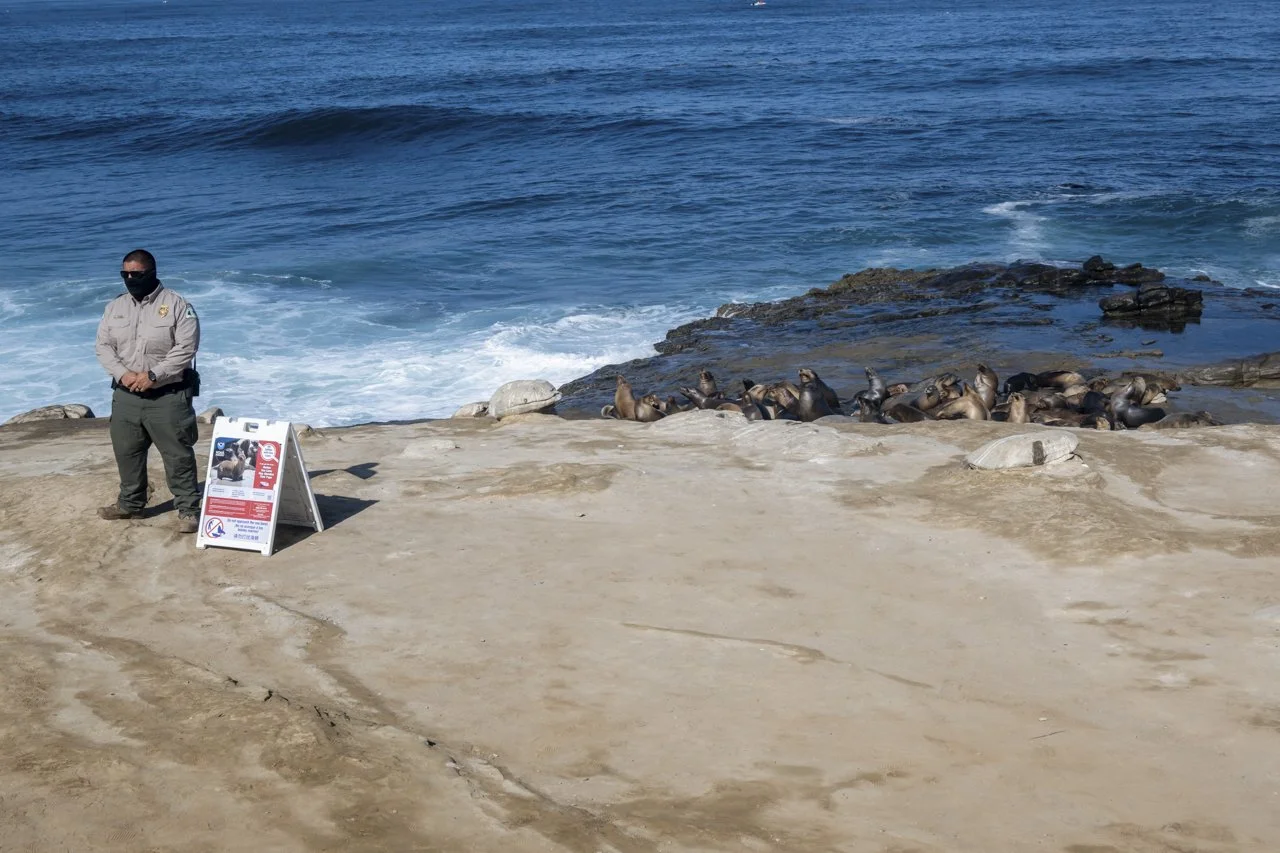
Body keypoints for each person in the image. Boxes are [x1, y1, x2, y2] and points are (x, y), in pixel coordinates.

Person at [95, 249, 203, 533]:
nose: (130, 279)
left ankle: (188, 510)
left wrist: (154, 375)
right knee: (127, 453)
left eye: (136, 274)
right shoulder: (115, 307)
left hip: (167, 396)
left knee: (177, 456)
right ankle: (131, 504)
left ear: (152, 273)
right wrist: (124, 374)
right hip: (126, 395)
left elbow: (186, 348)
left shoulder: (178, 305)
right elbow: (103, 347)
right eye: (125, 274)